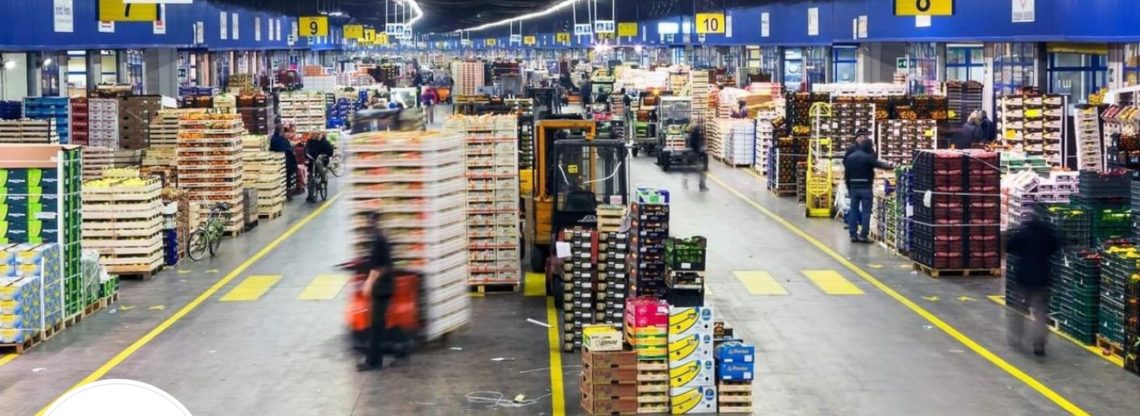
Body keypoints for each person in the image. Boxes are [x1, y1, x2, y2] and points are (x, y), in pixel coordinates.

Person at [1005, 213, 1060, 356]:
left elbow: (1008, 246)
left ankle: (1016, 337)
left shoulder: (1023, 234)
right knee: (1040, 312)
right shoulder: (1047, 234)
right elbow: (1055, 247)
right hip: (1042, 277)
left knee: (1019, 310)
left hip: (1024, 277)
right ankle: (1039, 343)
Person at [358, 212, 395, 371]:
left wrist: (369, 283)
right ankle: (374, 360)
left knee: (376, 325)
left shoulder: (377, 240)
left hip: (382, 288)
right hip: (383, 287)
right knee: (377, 324)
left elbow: (379, 266)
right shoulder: (380, 237)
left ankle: (373, 362)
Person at [843, 137, 894, 243]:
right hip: (866, 187)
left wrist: (849, 187)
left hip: (853, 187)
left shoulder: (850, 158)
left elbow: (846, 175)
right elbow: (879, 164)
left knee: (853, 210)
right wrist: (891, 167)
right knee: (866, 212)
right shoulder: (868, 157)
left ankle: (853, 234)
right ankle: (863, 235)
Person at [267, 126, 298, 197]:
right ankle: (288, 190)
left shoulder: (278, 138)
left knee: (288, 174)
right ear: (280, 131)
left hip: (283, 160)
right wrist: (291, 150)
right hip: (281, 161)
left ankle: (288, 189)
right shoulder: (278, 139)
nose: (284, 133)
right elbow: (282, 149)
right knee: (287, 174)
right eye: (283, 131)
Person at [304, 134, 335, 202]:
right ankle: (310, 195)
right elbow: (306, 150)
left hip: (323, 159)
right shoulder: (310, 142)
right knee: (310, 177)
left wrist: (323, 155)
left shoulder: (325, 142)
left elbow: (330, 152)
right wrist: (307, 154)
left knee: (318, 162)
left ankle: (323, 177)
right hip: (312, 160)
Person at [683, 123, 709, 192]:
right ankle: (702, 186)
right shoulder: (696, 135)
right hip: (695, 154)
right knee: (701, 172)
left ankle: (685, 183)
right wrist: (699, 151)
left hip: (693, 154)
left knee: (689, 170)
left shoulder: (692, 135)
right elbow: (695, 144)